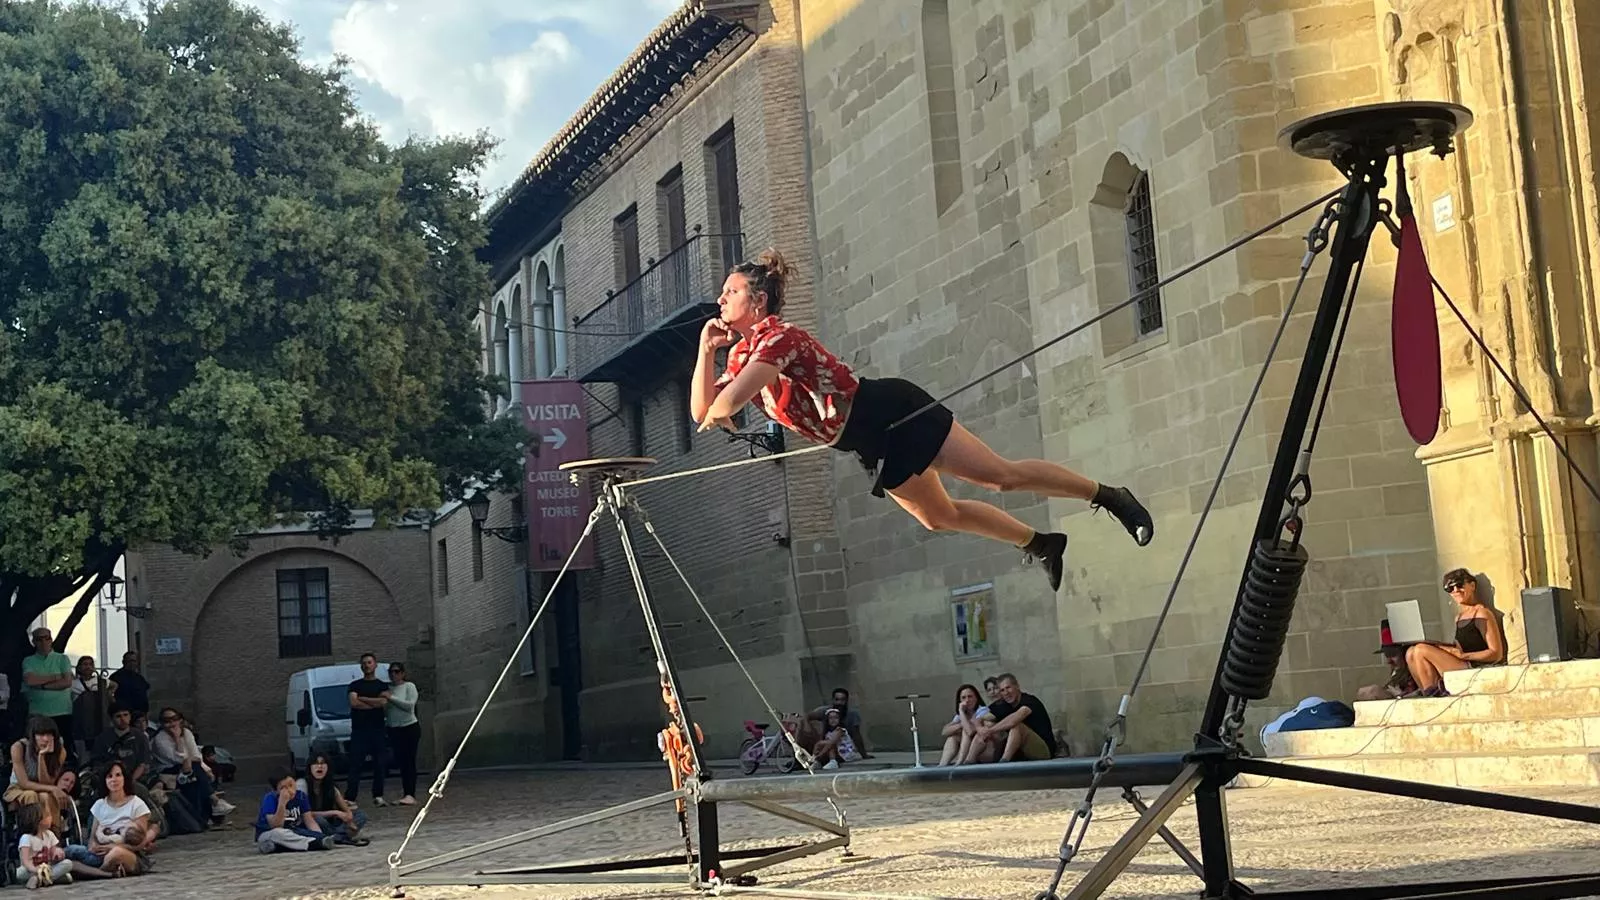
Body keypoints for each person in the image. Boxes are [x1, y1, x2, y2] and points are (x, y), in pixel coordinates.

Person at [689, 249, 1154, 592]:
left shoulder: (779, 338)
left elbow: (726, 405)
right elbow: (701, 411)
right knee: (939, 517)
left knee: (1000, 477)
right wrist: (706, 351)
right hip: (866, 441)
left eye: (731, 291)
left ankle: (1110, 496)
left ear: (759, 300)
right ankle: (1041, 544)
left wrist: (719, 407)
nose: (720, 299)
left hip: (888, 411)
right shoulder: (741, 355)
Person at [1404, 568, 1506, 696]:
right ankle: (1429, 692)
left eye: (1459, 585)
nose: (1456, 590)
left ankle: (1432, 694)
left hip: (1475, 665)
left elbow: (1496, 654)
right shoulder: (1459, 617)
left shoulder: (1482, 613)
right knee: (1411, 653)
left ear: (1472, 586)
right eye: (1450, 588)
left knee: (1421, 649)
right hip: (1463, 661)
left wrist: (1464, 656)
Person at [255, 768, 334, 853]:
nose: (290, 790)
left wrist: (319, 835)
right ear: (276, 790)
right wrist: (282, 803)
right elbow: (276, 825)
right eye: (283, 788)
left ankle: (280, 847)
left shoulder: (301, 796)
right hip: (270, 833)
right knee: (278, 833)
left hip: (294, 832)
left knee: (299, 832)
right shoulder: (270, 798)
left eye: (291, 785)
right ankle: (313, 843)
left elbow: (310, 821)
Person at [385, 662, 421, 806]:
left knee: (409, 761)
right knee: (400, 761)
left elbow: (409, 705)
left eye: (397, 671)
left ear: (403, 673)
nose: (394, 674)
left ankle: (410, 794)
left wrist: (391, 698)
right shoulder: (387, 689)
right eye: (391, 672)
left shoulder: (409, 686)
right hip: (394, 728)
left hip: (409, 727)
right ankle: (406, 793)